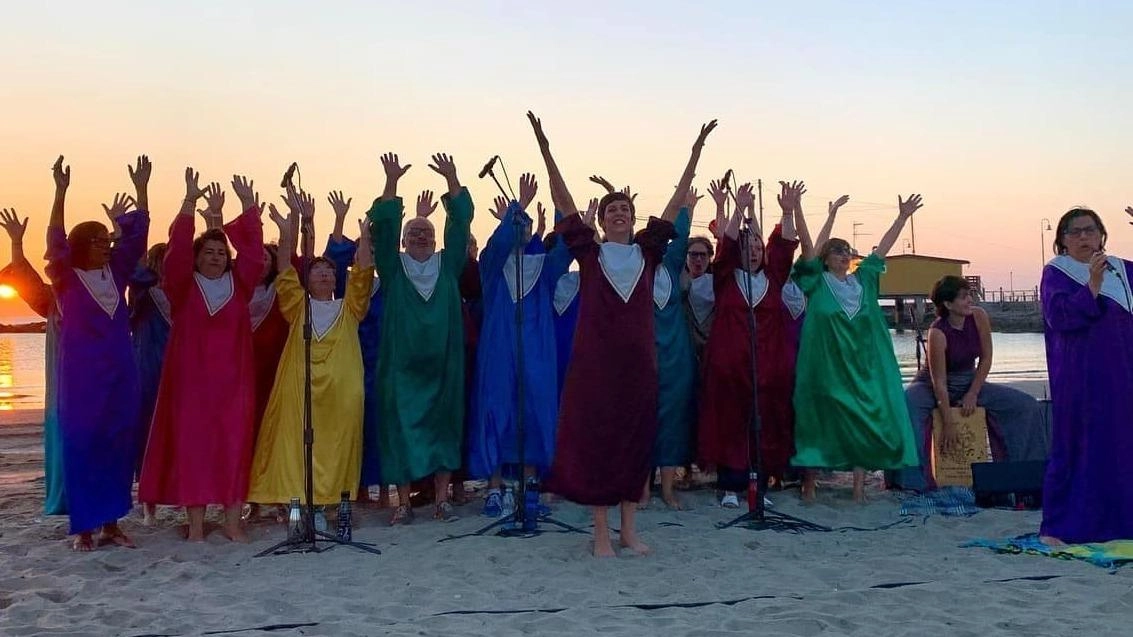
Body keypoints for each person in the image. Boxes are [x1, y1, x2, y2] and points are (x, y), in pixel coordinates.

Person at [529, 111, 715, 557]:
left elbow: (673, 207)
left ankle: (629, 529)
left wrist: (696, 153)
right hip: (595, 366)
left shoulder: (648, 252)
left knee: (635, 442)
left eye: (625, 209)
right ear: (604, 218)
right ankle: (599, 532)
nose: (618, 213)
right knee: (597, 442)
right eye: (612, 209)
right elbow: (565, 200)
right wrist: (545, 149)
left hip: (638, 366)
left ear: (632, 218)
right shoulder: (589, 254)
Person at [138, 171, 264, 542]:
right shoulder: (182, 286)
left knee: (232, 449)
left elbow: (255, 255)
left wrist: (248, 209)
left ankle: (231, 521)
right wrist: (189, 203)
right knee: (194, 451)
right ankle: (195, 526)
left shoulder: (239, 286)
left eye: (222, 252)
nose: (215, 257)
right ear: (197, 258)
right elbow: (175, 253)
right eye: (208, 252)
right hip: (191, 386)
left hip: (233, 385)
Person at [46, 155, 151, 551]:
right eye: (99, 241)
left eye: (108, 241)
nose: (107, 247)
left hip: (121, 370)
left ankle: (111, 523)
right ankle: (83, 527)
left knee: (118, 440)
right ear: (81, 245)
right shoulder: (66, 277)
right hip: (82, 377)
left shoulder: (116, 274)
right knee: (83, 443)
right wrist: (60, 191)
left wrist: (141, 189)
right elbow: (54, 237)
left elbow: (137, 238)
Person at [790, 192, 921, 503]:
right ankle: (809, 484)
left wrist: (901, 218)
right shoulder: (816, 282)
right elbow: (808, 249)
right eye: (837, 251)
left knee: (865, 421)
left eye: (847, 251)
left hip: (861, 369)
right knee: (816, 422)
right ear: (826, 257)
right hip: (824, 368)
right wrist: (798, 208)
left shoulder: (864, 281)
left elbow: (883, 250)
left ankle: (859, 488)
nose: (844, 255)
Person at [366, 152, 473, 524]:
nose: (421, 237)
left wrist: (452, 178)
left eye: (426, 232)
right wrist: (392, 182)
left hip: (444, 365)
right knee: (399, 431)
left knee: (444, 428)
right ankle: (403, 504)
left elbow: (460, 223)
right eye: (414, 232)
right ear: (405, 239)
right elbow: (382, 228)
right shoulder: (392, 268)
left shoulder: (449, 265)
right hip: (401, 370)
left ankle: (442, 499)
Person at [247, 194, 372, 507]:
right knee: (298, 443)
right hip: (300, 390)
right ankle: (299, 500)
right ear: (308, 278)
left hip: (343, 392)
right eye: (317, 269)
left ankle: (337, 502)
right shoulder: (296, 306)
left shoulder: (350, 308)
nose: (324, 273)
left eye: (329, 270)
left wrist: (366, 235)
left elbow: (364, 274)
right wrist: (287, 230)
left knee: (341, 444)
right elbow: (286, 268)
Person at [469, 177, 571, 516]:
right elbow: (499, 245)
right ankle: (495, 488)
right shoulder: (492, 265)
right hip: (498, 348)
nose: (521, 229)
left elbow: (567, 245)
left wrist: (561, 205)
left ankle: (529, 486)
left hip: (537, 349)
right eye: (516, 225)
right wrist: (519, 207)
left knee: (534, 411)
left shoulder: (544, 266)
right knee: (496, 409)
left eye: (525, 227)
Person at [889, 275, 1048, 491]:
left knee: (1025, 405)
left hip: (969, 380)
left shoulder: (979, 316)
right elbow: (939, 383)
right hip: (932, 384)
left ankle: (1024, 472)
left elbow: (986, 358)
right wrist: (948, 423)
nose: (970, 300)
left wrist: (973, 393)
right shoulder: (937, 332)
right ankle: (911, 482)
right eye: (964, 297)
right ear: (948, 304)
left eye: (970, 295)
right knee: (907, 404)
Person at [699, 181, 803, 506]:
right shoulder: (726, 278)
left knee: (765, 423)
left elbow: (786, 246)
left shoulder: (773, 280)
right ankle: (729, 486)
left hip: (767, 367)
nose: (755, 251)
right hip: (730, 366)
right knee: (730, 422)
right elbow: (726, 245)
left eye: (759, 246)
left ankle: (759, 485)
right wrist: (739, 210)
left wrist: (788, 211)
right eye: (750, 247)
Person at [1039, 207, 1133, 544]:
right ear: (1062, 240)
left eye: (1090, 230)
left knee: (1122, 446)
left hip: (1123, 375)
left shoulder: (1122, 270)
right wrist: (1092, 284)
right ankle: (1069, 524)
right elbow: (1059, 317)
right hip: (1082, 378)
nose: (1083, 237)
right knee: (1082, 446)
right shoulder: (1057, 273)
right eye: (1074, 232)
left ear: (1101, 235)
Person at [0, 209, 67, 517]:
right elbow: (27, 280)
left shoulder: (104, 290)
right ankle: (67, 503)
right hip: (65, 385)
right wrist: (16, 244)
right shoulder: (54, 298)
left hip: (101, 379)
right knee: (65, 443)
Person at [323, 190, 387, 506]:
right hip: (349, 361)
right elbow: (332, 257)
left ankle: (385, 488)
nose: (369, 253)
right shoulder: (347, 284)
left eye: (374, 249)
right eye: (366, 248)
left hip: (382, 363)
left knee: (379, 425)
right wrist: (340, 220)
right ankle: (356, 488)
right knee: (352, 425)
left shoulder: (388, 282)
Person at [645, 189, 700, 510]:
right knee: (642, 419)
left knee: (673, 420)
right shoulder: (633, 268)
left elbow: (679, 236)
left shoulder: (672, 263)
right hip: (643, 354)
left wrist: (687, 207)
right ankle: (639, 486)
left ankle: (667, 488)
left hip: (676, 355)